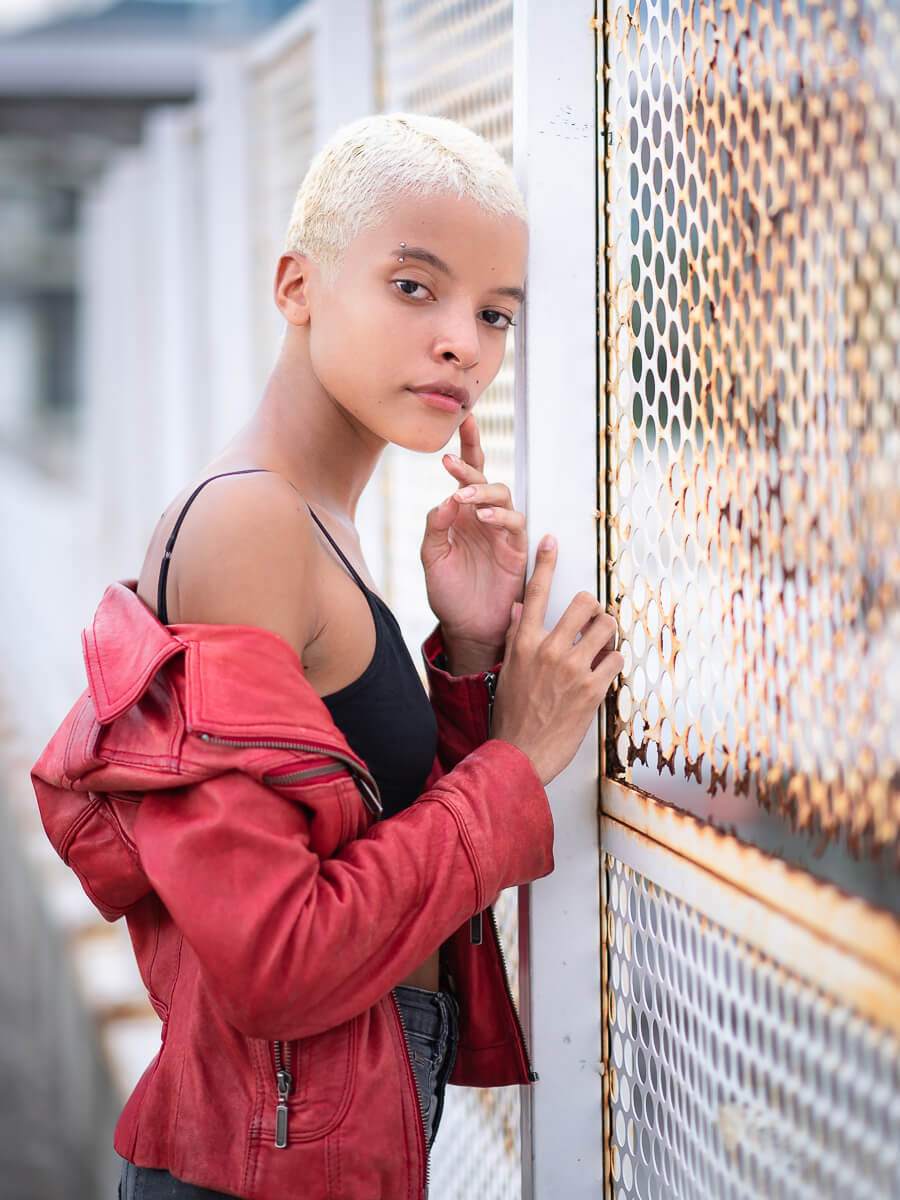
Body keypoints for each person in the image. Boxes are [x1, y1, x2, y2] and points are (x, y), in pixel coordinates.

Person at [32, 113, 623, 1200]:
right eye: (415, 287)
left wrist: (470, 653)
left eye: (495, 312)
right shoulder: (247, 524)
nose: (464, 343)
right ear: (297, 286)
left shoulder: (314, 523)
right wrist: (518, 759)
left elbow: (357, 822)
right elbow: (279, 960)